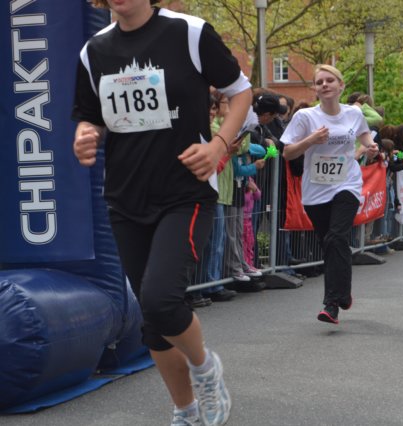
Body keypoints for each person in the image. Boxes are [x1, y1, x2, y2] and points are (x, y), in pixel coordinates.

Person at [72, 1, 252, 425]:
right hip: (125, 198)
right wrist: (85, 135)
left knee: (160, 299)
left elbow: (240, 91)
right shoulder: (94, 50)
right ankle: (186, 411)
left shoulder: (189, 32)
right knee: (153, 321)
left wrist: (219, 145)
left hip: (184, 193)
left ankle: (205, 369)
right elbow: (90, 117)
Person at [281, 64, 379, 324]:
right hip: (316, 190)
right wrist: (311, 140)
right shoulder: (305, 117)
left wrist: (371, 147)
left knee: (336, 237)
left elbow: (365, 136)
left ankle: (332, 303)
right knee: (332, 243)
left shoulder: (353, 113)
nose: (324, 84)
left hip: (347, 184)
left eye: (330, 80)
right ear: (315, 89)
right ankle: (343, 292)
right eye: (319, 82)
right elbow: (287, 153)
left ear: (341, 85)